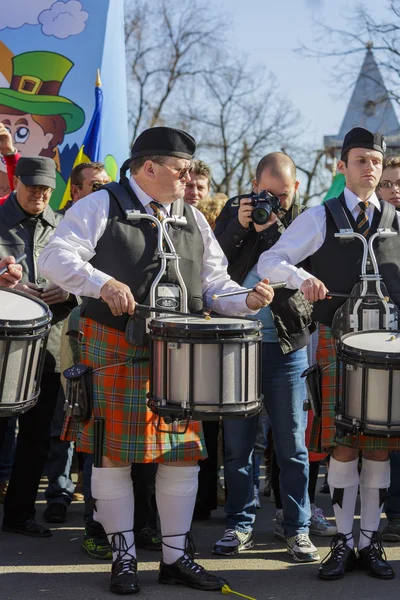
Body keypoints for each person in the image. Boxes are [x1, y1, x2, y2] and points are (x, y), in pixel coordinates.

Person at [39, 126, 274, 595]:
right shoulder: (102, 204)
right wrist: (99, 282)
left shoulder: (193, 218)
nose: (188, 180)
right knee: (112, 456)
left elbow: (213, 284)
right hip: (116, 345)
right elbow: (53, 256)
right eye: (180, 170)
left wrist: (246, 299)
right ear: (149, 167)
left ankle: (175, 558)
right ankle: (123, 557)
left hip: (180, 352)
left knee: (181, 456)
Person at [257, 127, 400, 580]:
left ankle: (369, 539)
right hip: (336, 343)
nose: (370, 169)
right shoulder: (321, 216)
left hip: (387, 350)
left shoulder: (396, 220)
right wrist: (302, 279)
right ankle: (342, 540)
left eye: (375, 162)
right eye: (360, 160)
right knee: (342, 445)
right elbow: (270, 262)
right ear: (341, 166)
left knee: (377, 448)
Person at [212, 152, 319, 563]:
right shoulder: (233, 213)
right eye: (266, 193)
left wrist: (275, 232)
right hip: (239, 343)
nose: (272, 201)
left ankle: (297, 528)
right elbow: (214, 267)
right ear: (254, 187)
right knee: (239, 444)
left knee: (291, 443)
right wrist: (239, 229)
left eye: (282, 194)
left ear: (294, 191)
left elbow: (300, 267)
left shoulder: (304, 223)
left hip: (287, 346)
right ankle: (239, 524)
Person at [0, 156, 74, 538]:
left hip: (48, 346)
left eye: (46, 189)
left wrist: (70, 288)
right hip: (3, 345)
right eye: (32, 187)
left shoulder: (63, 226)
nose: (40, 194)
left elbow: (85, 274)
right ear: (16, 182)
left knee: (36, 434)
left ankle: (20, 513)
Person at [376, 154, 400, 544]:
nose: (395, 191)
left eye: (399, 184)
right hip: (379, 343)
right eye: (387, 184)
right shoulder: (371, 230)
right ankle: (394, 514)